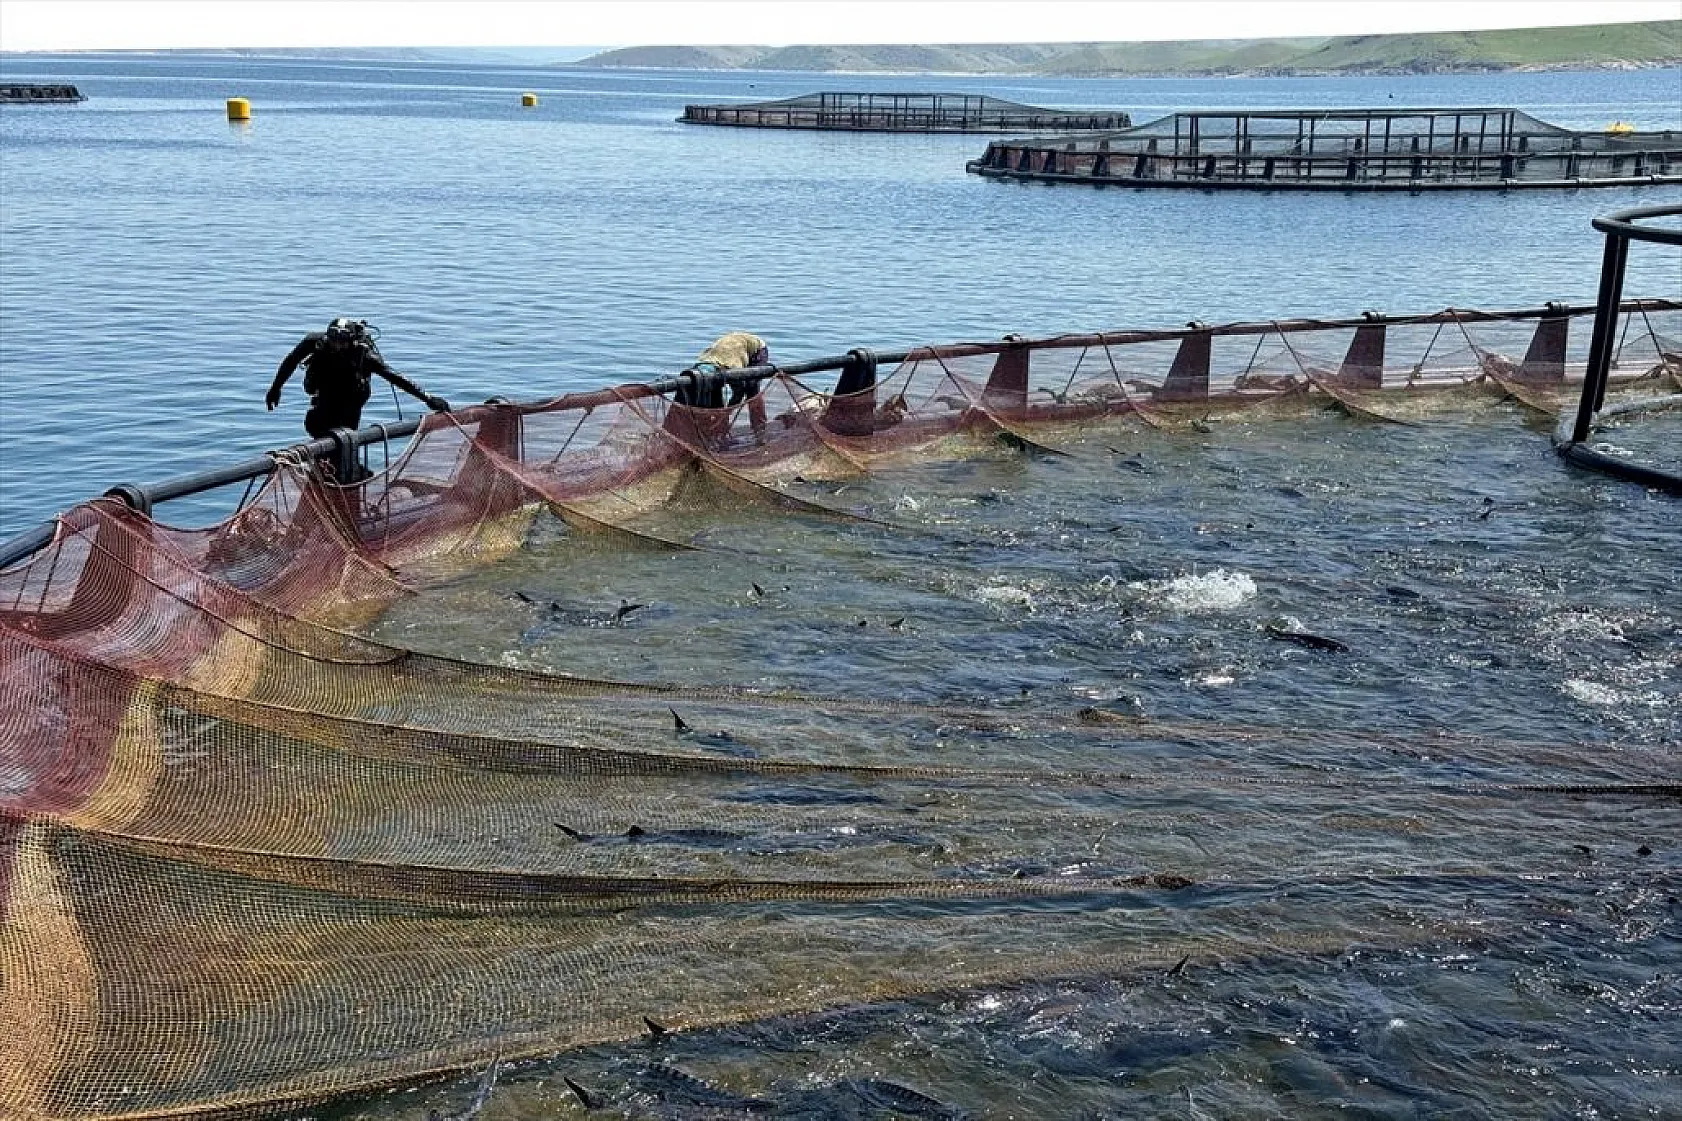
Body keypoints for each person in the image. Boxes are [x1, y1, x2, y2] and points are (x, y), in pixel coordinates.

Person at [265, 318, 449, 439]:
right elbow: (290, 361)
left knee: (346, 432)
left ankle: (343, 469)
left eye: (342, 342)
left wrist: (428, 398)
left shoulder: (364, 355)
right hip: (324, 391)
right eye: (333, 341)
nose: (337, 346)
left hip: (351, 396)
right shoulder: (315, 343)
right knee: (317, 427)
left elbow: (395, 376)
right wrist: (276, 388)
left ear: (352, 341)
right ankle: (325, 467)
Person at [679, 331, 771, 410]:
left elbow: (739, 392)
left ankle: (758, 425)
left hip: (757, 349)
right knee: (715, 390)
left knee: (752, 388)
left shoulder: (732, 365)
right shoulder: (707, 359)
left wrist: (727, 412)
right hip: (729, 346)